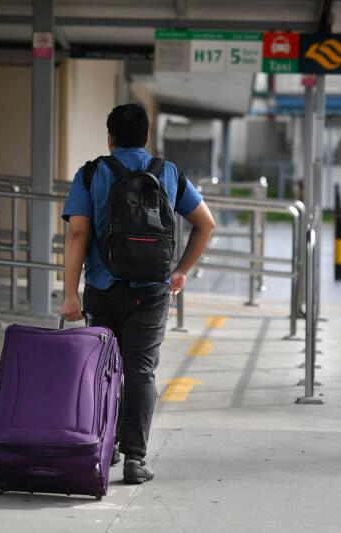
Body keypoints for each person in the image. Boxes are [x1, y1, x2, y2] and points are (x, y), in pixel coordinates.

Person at [61, 103, 215, 484]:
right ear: (147, 137)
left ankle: (106, 444)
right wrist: (179, 271)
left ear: (110, 138)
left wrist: (70, 293)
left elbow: (78, 233)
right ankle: (135, 460)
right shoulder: (167, 172)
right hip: (151, 289)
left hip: (102, 285)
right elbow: (205, 224)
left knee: (103, 370)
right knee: (140, 372)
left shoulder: (91, 173)